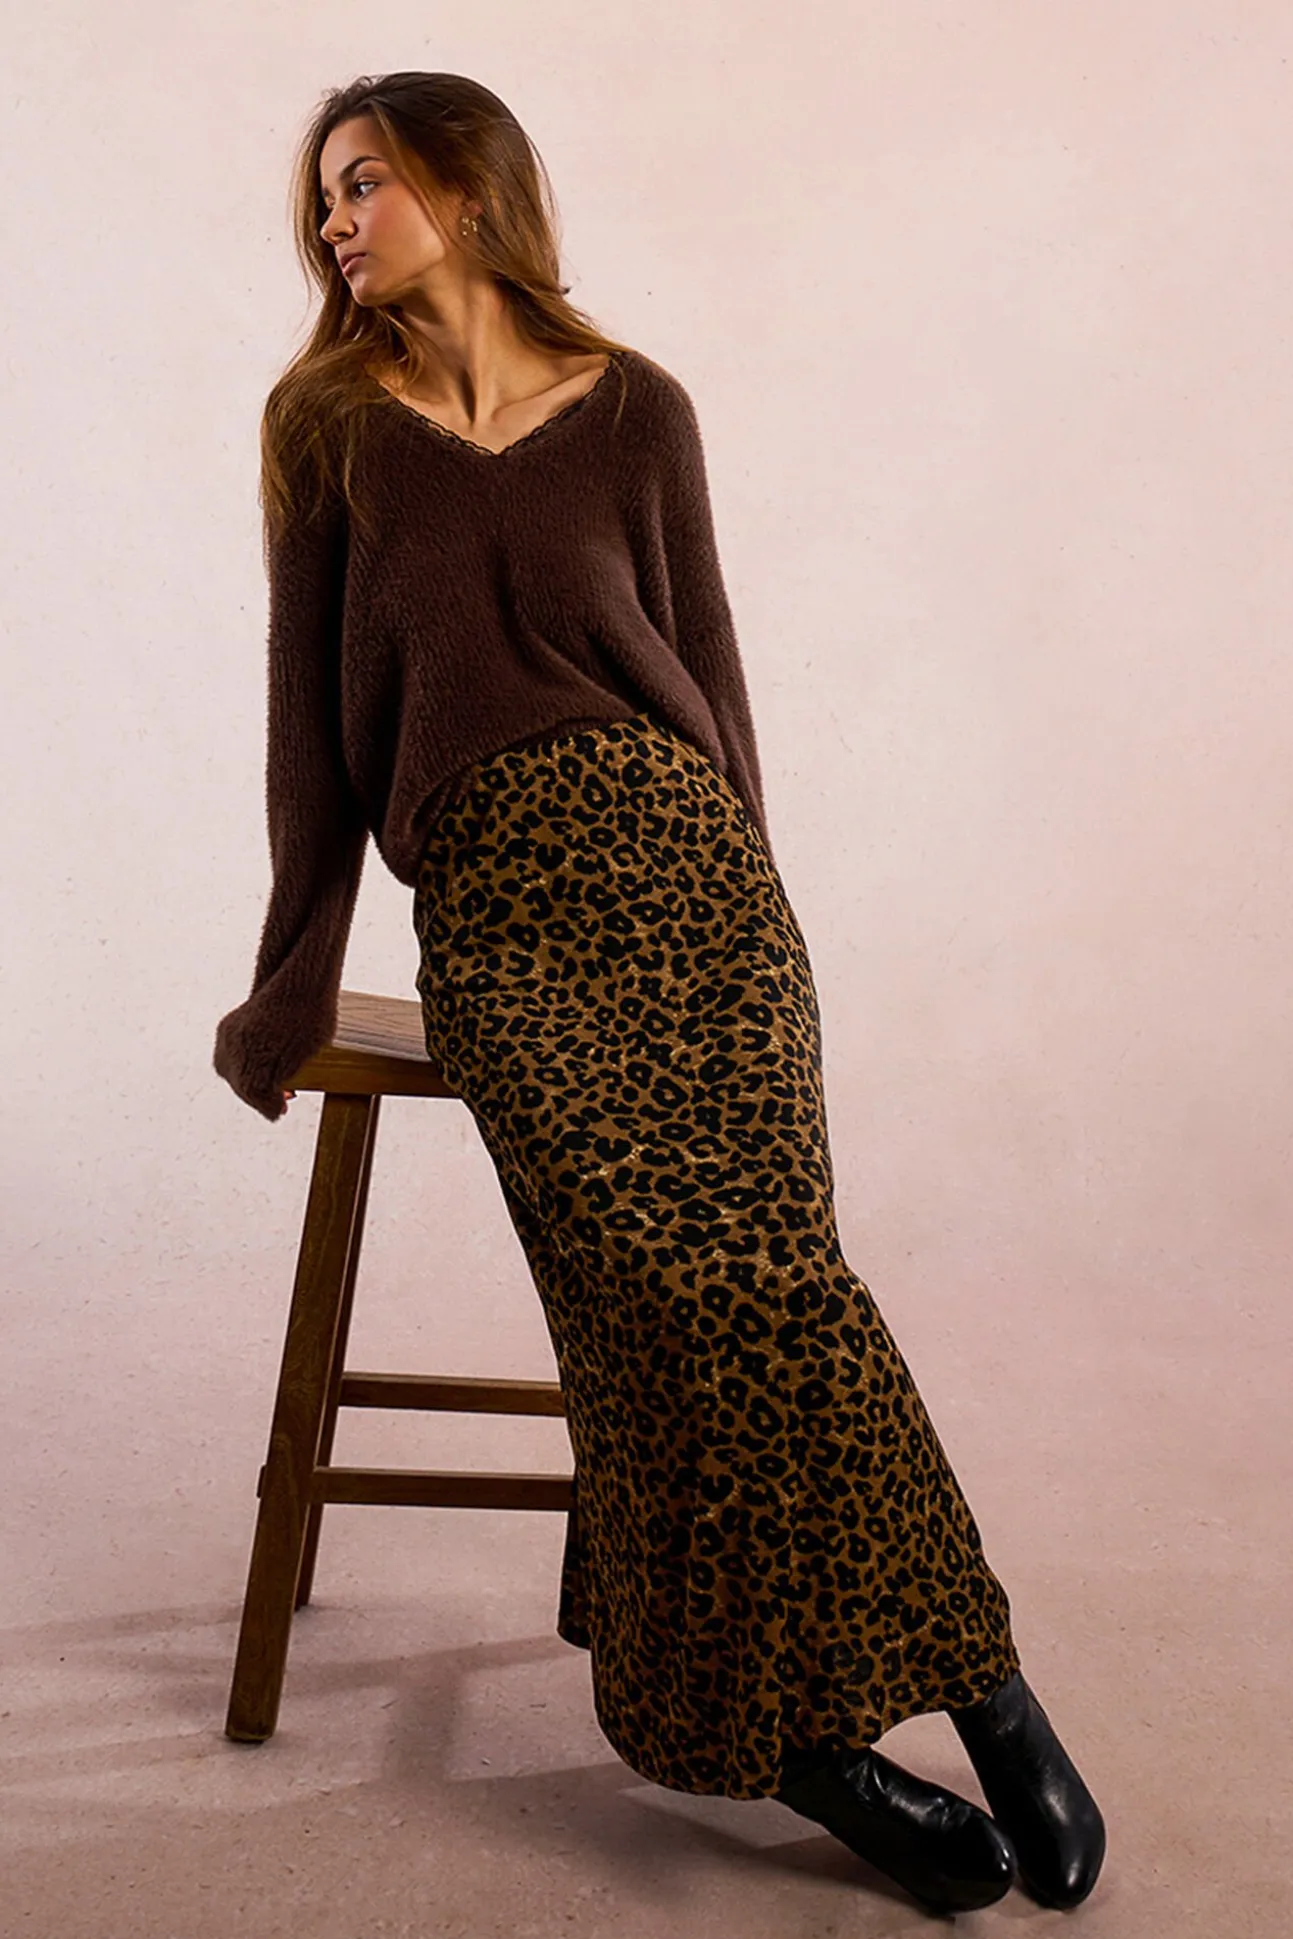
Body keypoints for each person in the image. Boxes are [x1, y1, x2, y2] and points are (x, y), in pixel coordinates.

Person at [212, 69, 1106, 1917]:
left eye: (364, 184)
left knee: (783, 1279)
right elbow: (308, 737)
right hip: (508, 909)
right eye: (325, 200)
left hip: (698, 888)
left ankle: (970, 1694)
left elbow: (712, 671)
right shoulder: (330, 431)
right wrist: (293, 972)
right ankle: (837, 1733)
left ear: (468, 188)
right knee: (677, 1293)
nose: (335, 224)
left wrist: (765, 911)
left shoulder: (641, 411)